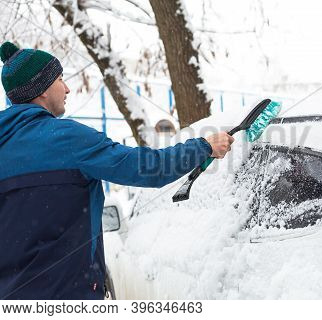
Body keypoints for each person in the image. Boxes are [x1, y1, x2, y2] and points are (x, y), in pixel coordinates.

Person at [0, 42, 234, 300]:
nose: (66, 88)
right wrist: (203, 147)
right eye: (59, 79)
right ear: (41, 89)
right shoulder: (66, 139)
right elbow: (147, 168)